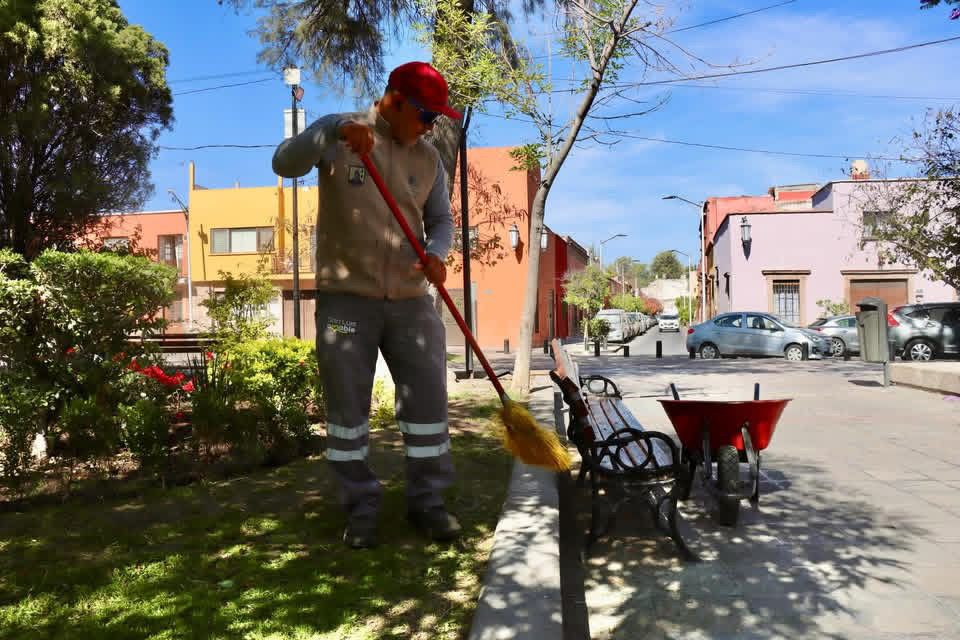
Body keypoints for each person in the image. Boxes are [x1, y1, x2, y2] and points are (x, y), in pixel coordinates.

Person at [272, 61, 461, 549]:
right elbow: (284, 162)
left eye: (436, 118)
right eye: (425, 115)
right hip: (346, 303)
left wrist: (438, 256)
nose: (430, 126)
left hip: (411, 302)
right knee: (347, 416)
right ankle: (360, 508)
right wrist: (331, 129)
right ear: (395, 100)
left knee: (428, 412)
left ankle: (428, 503)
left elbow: (441, 222)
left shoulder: (429, 161)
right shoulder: (341, 135)